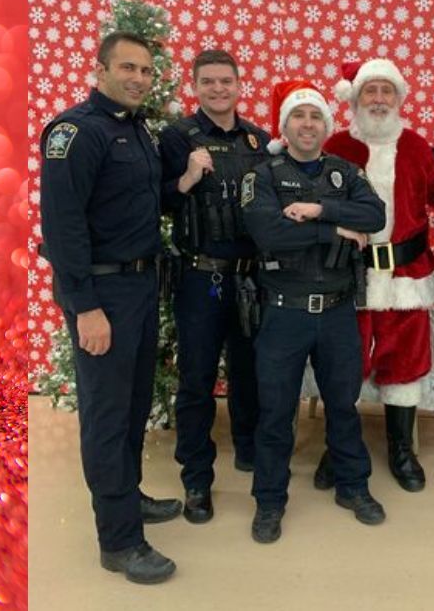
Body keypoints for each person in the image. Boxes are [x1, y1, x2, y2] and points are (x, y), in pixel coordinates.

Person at [40, 31, 180, 585]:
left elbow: (141, 201)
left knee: (131, 406)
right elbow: (63, 225)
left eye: (146, 71)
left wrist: (184, 181)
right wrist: (84, 307)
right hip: (102, 295)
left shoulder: (137, 130)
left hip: (141, 289)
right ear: (99, 70)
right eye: (127, 68)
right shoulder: (76, 132)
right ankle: (119, 542)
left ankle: (127, 497)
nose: (139, 79)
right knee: (105, 415)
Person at [240, 80, 387, 543]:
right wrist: (335, 231)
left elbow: (376, 217)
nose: (308, 124)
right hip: (283, 314)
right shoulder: (261, 176)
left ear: (326, 125)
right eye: (299, 116)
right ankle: (269, 501)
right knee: (276, 412)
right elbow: (269, 234)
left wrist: (319, 209)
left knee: (343, 407)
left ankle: (353, 486)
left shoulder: (343, 171)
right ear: (284, 126)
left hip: (338, 314)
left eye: (316, 116)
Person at [309, 59, 434, 493]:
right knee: (344, 364)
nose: (379, 100)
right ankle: (340, 445)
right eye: (371, 91)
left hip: (407, 277)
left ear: (400, 98)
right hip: (350, 278)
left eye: (387, 91)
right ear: (355, 98)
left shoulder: (417, 146)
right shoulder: (334, 146)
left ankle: (401, 448)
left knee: (404, 366)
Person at [158, 50, 271, 524]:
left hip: (250, 278)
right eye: (209, 82)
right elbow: (154, 200)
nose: (219, 89)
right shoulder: (177, 137)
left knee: (249, 373)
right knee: (198, 380)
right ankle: (197, 479)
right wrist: (185, 178)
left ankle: (247, 449)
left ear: (239, 85)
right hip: (201, 279)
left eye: (226, 81)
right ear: (196, 85)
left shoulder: (260, 141)